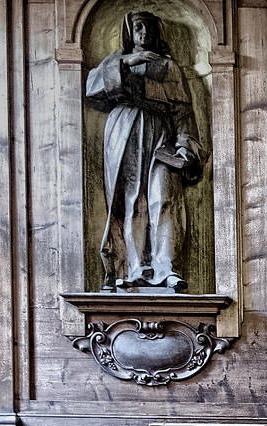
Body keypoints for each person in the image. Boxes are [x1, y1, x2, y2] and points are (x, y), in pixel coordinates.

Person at [85, 10, 206, 292]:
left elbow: (183, 112)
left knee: (163, 197)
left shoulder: (168, 67)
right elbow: (93, 88)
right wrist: (126, 62)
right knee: (131, 201)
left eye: (149, 28)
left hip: (160, 134)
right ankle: (134, 269)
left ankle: (167, 268)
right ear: (130, 32)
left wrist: (184, 147)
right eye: (138, 27)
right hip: (125, 129)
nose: (144, 33)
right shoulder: (118, 62)